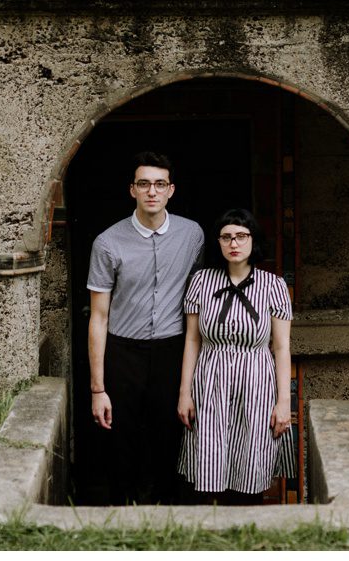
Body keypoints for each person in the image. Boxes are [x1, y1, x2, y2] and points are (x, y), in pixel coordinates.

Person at [86, 151, 205, 504]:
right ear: (132, 190)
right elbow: (99, 317)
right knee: (120, 437)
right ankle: (123, 513)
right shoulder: (108, 243)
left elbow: (199, 297)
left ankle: (166, 512)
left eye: (159, 184)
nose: (152, 191)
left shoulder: (192, 235)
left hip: (172, 349)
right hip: (123, 351)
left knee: (169, 434)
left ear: (171, 190)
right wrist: (97, 388)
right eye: (144, 184)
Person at [176, 209, 296, 503]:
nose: (234, 243)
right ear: (218, 242)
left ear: (253, 241)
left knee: (251, 461)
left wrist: (283, 403)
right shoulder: (202, 282)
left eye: (241, 236)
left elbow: (281, 347)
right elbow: (192, 340)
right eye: (227, 237)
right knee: (209, 463)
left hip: (256, 381)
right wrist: (184, 393)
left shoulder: (273, 285)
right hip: (210, 379)